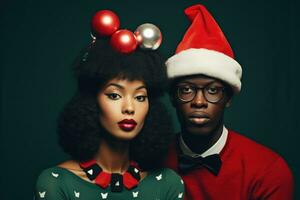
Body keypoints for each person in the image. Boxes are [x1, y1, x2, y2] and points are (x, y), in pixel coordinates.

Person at [34, 13, 184, 199]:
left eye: (139, 97)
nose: (129, 108)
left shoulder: (168, 184)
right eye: (114, 95)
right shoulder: (56, 182)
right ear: (91, 102)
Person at [164, 4, 294, 200]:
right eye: (187, 90)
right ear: (173, 97)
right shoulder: (149, 160)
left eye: (213, 90)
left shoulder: (268, 170)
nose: (199, 102)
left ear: (228, 98)